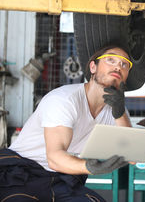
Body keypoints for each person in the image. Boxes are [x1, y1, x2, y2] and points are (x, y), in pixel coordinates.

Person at [0, 44, 133, 201]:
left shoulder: (118, 112)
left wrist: (120, 113)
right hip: (22, 173)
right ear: (93, 67)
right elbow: (54, 158)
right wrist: (90, 167)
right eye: (111, 60)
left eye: (124, 64)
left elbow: (131, 155)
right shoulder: (64, 100)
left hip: (62, 180)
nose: (118, 66)